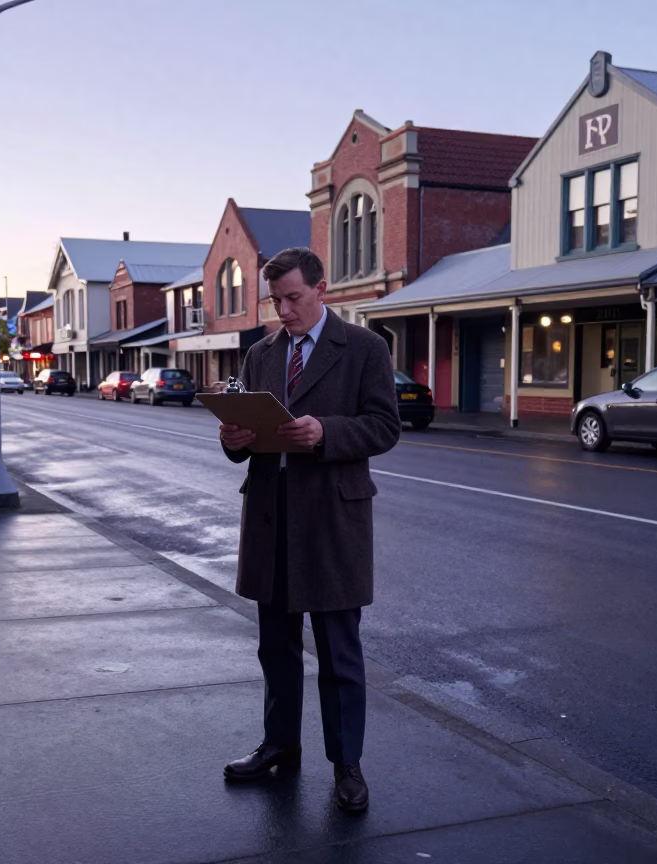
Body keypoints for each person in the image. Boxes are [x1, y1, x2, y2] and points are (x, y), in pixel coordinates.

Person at [218, 247, 400, 813]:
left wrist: (325, 433)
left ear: (323, 290)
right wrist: (232, 440)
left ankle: (347, 766)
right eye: (275, 300)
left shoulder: (365, 348)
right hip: (272, 517)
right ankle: (279, 747)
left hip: (332, 520)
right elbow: (243, 433)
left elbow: (384, 427)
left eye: (293, 298)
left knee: (338, 653)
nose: (284, 310)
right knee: (275, 647)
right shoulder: (262, 354)